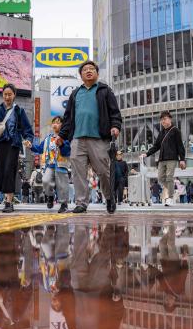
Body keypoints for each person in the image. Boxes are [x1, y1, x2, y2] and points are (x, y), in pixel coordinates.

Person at [56, 60, 123, 214]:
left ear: (97, 73)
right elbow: (68, 118)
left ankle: (109, 197)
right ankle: (81, 202)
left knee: (104, 172)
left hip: (99, 138)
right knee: (78, 173)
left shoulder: (105, 90)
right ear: (81, 75)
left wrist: (115, 126)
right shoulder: (75, 93)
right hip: (77, 139)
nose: (88, 71)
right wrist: (62, 135)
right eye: (85, 69)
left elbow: (115, 112)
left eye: (91, 69)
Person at [0, 84, 34, 213]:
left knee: (9, 169)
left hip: (14, 144)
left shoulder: (19, 111)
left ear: (14, 95)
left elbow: (27, 129)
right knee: (2, 171)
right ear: (2, 95)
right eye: (5, 94)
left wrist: (28, 139)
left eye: (10, 94)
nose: (7, 96)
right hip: (0, 145)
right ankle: (7, 199)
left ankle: (9, 202)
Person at [141, 111, 186, 206]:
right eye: (161, 120)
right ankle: (169, 191)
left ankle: (170, 197)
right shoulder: (161, 133)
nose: (163, 121)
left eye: (165, 119)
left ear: (170, 119)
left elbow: (180, 146)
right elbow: (156, 146)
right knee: (161, 178)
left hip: (172, 158)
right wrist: (147, 154)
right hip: (162, 159)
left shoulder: (175, 130)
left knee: (169, 177)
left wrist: (182, 159)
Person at [30, 116, 72, 213]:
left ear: (62, 125)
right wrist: (31, 146)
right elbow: (40, 149)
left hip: (61, 164)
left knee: (62, 185)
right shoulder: (48, 138)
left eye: (58, 122)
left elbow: (67, 152)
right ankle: (50, 196)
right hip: (50, 165)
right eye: (53, 122)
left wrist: (61, 144)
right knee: (45, 180)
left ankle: (64, 204)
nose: (55, 124)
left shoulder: (66, 138)